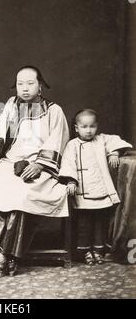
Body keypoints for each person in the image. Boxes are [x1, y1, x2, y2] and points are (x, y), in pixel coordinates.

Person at [0, 66, 69, 276]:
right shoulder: (11, 105)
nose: (24, 88)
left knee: (22, 193)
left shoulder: (54, 110)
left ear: (40, 86)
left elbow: (57, 141)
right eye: (20, 83)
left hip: (40, 165)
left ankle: (6, 253)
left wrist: (40, 164)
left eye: (30, 83)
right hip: (10, 162)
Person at [59, 109, 132, 265]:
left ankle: (98, 251)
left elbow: (116, 142)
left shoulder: (101, 140)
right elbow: (68, 164)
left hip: (100, 190)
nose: (89, 130)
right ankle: (85, 251)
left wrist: (114, 153)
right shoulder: (72, 145)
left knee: (100, 221)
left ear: (97, 126)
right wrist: (71, 181)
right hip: (82, 193)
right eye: (84, 126)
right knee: (84, 223)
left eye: (92, 126)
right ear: (76, 128)